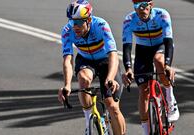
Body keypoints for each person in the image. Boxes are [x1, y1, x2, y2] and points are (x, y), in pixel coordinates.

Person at [57, 0, 126, 135]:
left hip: (106, 61)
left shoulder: (101, 25)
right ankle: (89, 121)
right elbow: (67, 60)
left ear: (88, 20)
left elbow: (113, 54)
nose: (74, 26)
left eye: (78, 22)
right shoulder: (67, 31)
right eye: (71, 22)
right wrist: (67, 85)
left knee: (112, 106)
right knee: (83, 78)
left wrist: (110, 78)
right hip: (86, 60)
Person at [121, 0, 180, 135]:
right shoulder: (129, 20)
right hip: (142, 50)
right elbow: (127, 47)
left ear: (151, 5)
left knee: (159, 60)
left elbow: (168, 41)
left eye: (144, 6)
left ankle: (170, 102)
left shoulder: (162, 15)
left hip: (161, 46)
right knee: (143, 93)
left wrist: (168, 65)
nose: (141, 10)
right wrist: (128, 68)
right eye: (137, 6)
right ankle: (146, 131)